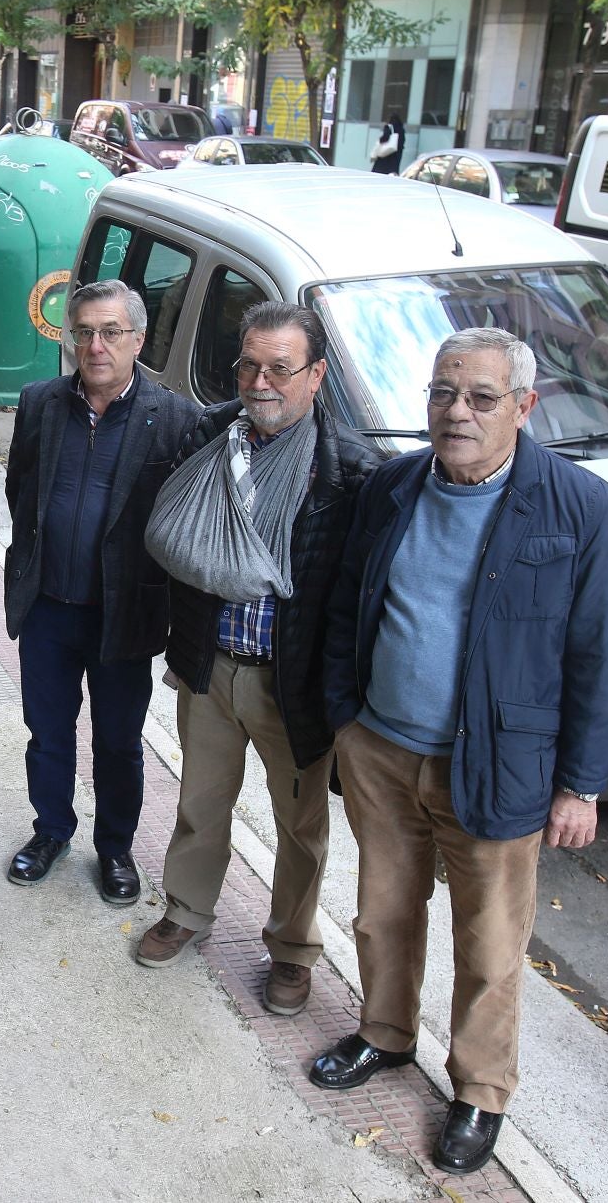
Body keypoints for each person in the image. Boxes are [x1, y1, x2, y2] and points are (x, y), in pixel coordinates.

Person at [310, 328, 608, 1176]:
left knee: (490, 946)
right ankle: (384, 1037)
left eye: (481, 398)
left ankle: (478, 1093)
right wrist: (347, 717)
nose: (456, 412)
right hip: (384, 748)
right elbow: (351, 602)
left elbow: (607, 655)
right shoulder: (392, 488)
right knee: (382, 915)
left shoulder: (579, 506)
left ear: (523, 408)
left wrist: (580, 784)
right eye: (442, 394)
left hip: (498, 768)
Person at [136, 304, 378, 1019]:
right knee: (199, 802)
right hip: (211, 664)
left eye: (279, 367)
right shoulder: (213, 436)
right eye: (248, 364)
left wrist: (342, 699)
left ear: (317, 375)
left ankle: (292, 951)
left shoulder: (348, 471)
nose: (259, 380)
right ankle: (187, 909)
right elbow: (184, 555)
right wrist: (183, 648)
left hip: (291, 682)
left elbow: (354, 601)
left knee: (301, 827)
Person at [2, 280, 199, 904]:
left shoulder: (173, 419)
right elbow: (21, 493)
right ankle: (51, 831)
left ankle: (115, 848)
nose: (94, 345)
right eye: (82, 331)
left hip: (123, 616)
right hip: (49, 610)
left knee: (117, 741)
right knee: (48, 731)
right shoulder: (40, 403)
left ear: (138, 340)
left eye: (110, 332)